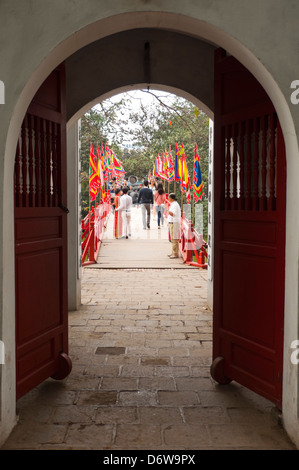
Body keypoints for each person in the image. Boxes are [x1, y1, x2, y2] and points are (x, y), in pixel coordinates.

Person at [165, 193, 181, 258]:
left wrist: (166, 209)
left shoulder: (175, 205)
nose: (168, 199)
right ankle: (173, 252)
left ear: (171, 198)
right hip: (173, 222)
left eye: (169, 197)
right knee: (173, 238)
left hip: (174, 222)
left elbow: (173, 214)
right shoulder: (174, 204)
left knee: (174, 239)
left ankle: (175, 253)